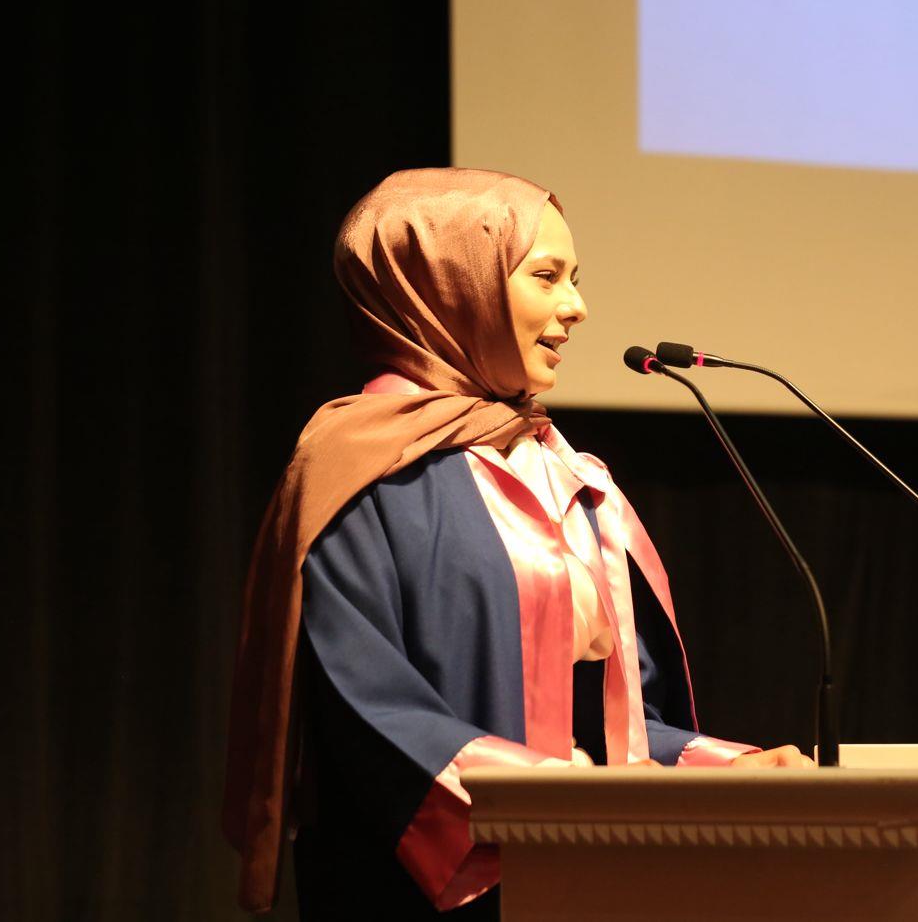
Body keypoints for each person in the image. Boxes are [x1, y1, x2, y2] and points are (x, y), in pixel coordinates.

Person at [222, 168, 811, 919]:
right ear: (449, 284)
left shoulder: (560, 469)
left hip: (586, 875)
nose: (577, 307)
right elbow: (369, 715)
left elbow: (609, 730)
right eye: (546, 276)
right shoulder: (356, 471)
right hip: (420, 892)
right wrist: (561, 800)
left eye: (575, 280)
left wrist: (726, 768)